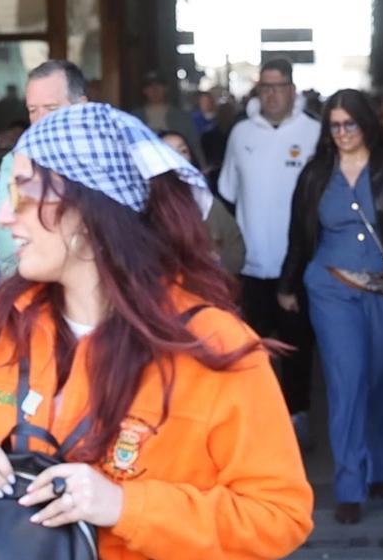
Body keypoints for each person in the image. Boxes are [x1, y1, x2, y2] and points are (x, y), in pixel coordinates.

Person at [0, 103, 314, 560]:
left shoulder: (213, 346)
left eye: (24, 197)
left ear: (90, 214)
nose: (5, 216)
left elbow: (278, 516)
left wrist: (125, 506)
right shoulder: (4, 326)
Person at [279, 89, 383, 525]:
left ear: (367, 124)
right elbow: (299, 237)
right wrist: (288, 285)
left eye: (350, 124)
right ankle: (350, 483)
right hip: (331, 289)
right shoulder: (315, 175)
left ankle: (381, 467)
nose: (343, 133)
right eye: (335, 125)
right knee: (346, 382)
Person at [217, 58, 319, 444]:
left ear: (293, 90)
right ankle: (255, 422)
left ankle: (297, 415)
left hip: (298, 266)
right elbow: (226, 194)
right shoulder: (241, 133)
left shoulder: (314, 132)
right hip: (249, 265)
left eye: (279, 87)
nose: (273, 94)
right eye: (266, 87)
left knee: (297, 347)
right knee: (249, 348)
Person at [0, 60, 89, 339]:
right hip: (21, 325)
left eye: (51, 109)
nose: (40, 120)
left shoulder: (104, 170)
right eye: (32, 110)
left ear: (81, 106)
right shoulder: (10, 168)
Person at [159, 130, 246, 276]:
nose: (177, 158)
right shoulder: (145, 206)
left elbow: (236, 246)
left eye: (183, 151)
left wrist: (217, 263)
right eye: (167, 152)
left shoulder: (207, 202)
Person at [130, 70, 205, 165]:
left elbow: (195, 146)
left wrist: (202, 168)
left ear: (166, 88)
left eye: (158, 85)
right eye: (150, 86)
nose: (154, 89)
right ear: (144, 90)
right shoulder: (134, 118)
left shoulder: (181, 116)